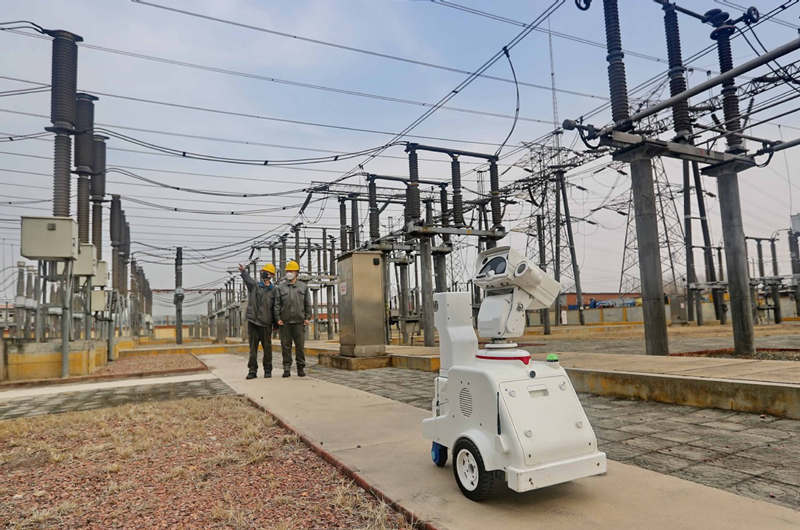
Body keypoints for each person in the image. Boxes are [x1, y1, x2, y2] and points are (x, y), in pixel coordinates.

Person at [239, 262, 277, 379]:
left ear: (271, 275)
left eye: (266, 271)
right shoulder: (255, 286)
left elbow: (275, 307)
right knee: (253, 349)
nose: (263, 273)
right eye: (262, 271)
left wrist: (276, 324)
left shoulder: (274, 291)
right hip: (253, 322)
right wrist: (243, 272)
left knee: (267, 348)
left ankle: (267, 370)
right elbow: (248, 281)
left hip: (266, 323)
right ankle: (252, 370)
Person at [274, 260, 311, 377]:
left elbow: (307, 304)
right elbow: (277, 304)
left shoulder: (303, 287)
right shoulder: (280, 287)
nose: (289, 273)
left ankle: (301, 368)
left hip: (299, 322)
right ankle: (286, 368)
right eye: (287, 271)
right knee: (286, 347)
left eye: (291, 271)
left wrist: (307, 317)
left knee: (300, 347)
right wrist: (277, 318)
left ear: (297, 273)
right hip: (284, 323)